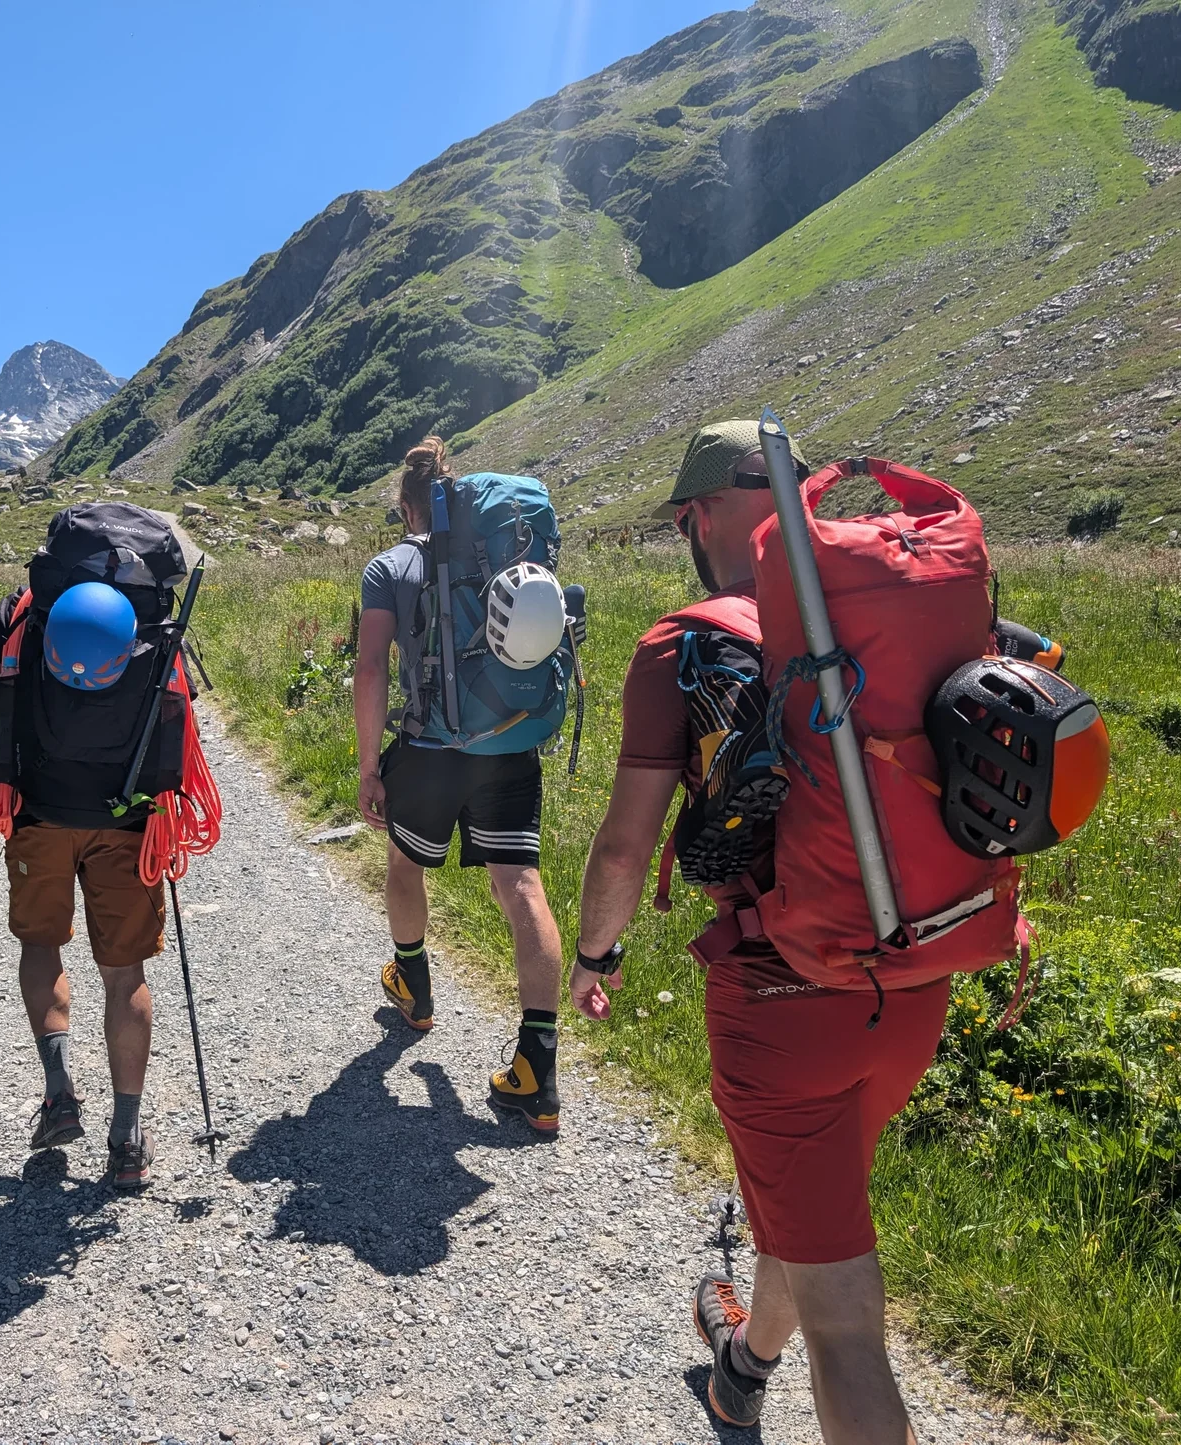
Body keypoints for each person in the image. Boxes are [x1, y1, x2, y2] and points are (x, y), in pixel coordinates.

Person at [566, 419, 944, 1443]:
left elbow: (622, 843)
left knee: (850, 1327)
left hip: (782, 997)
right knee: (804, 1195)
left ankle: (771, 1360)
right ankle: (742, 1365)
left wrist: (595, 954)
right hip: (918, 977)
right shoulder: (884, 610)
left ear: (698, 514)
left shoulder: (683, 641)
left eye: (685, 517)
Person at [353, 436, 567, 1133]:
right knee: (521, 887)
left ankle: (413, 987)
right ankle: (537, 1070)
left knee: (405, 863)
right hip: (511, 740)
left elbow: (371, 670)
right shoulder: (503, 551)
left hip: (430, 749)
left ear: (410, 506)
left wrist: (366, 767)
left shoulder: (388, 566)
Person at [0, 540, 174, 1193]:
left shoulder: (20, 610)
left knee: (42, 943)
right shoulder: (155, 615)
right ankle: (127, 1137)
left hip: (35, 813)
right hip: (129, 818)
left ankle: (59, 1093)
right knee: (124, 971)